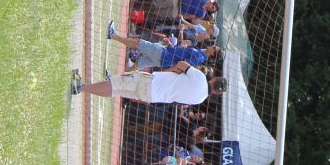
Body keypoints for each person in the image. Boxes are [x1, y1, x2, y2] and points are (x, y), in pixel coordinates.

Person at [72, 60, 228, 104]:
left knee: (116, 83)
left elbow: (182, 64)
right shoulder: (200, 100)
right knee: (117, 91)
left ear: (215, 79)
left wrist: (170, 71)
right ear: (216, 93)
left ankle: (81, 87)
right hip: (154, 97)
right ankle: (83, 88)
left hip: (153, 83)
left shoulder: (201, 77)